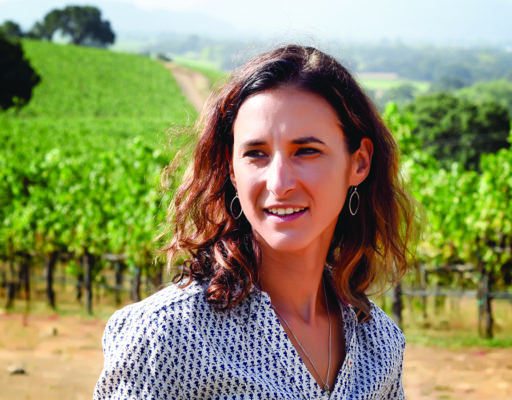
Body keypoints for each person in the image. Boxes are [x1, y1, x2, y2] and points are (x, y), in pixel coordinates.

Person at [94, 44, 417, 399]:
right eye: (256, 154)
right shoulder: (166, 336)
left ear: (359, 163)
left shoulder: (380, 344)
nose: (279, 183)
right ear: (232, 169)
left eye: (307, 151)